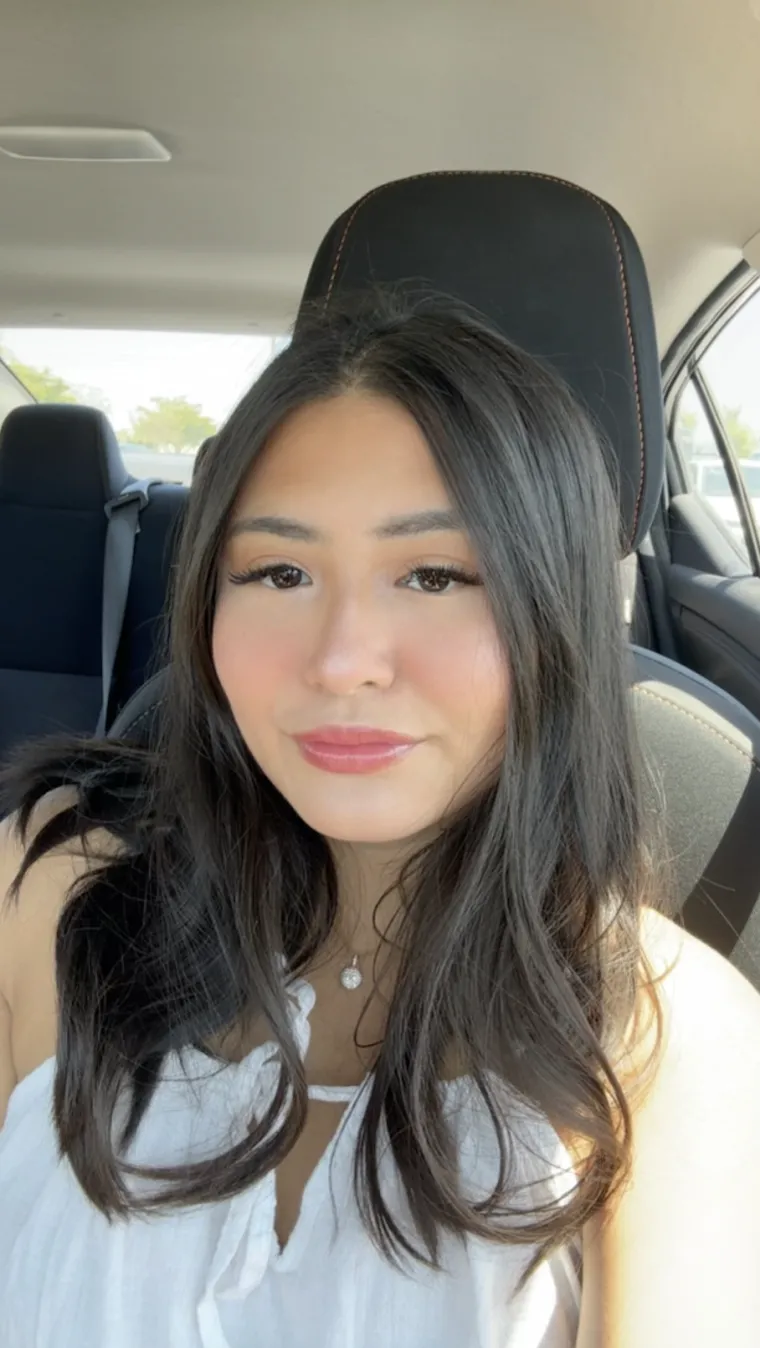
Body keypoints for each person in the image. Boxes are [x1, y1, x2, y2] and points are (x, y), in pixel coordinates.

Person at [1, 296, 759, 1348]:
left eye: (435, 574)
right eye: (279, 571)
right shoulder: (49, 888)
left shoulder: (662, 1034)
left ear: (552, 615)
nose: (344, 655)